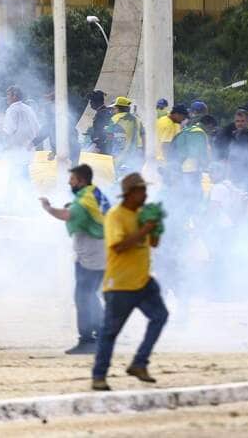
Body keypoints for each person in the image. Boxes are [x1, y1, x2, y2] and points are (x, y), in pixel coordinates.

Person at [92, 173, 168, 391]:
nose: (145, 195)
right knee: (109, 333)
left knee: (160, 316)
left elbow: (153, 243)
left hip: (143, 281)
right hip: (120, 285)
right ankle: (99, 376)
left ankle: (139, 363)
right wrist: (145, 228)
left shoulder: (143, 214)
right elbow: (118, 246)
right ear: (129, 194)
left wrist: (156, 228)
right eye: (141, 191)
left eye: (145, 190)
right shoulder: (116, 216)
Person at [39, 164, 110, 355]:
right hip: (99, 251)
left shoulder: (85, 200)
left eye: (72, 179)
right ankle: (103, 334)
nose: (69, 182)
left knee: (83, 297)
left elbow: (67, 215)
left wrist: (48, 208)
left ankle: (87, 340)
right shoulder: (93, 193)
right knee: (90, 295)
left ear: (81, 180)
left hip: (91, 254)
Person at [2, 86, 40, 179]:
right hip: (29, 148)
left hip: (17, 149)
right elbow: (37, 128)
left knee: (16, 177)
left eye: (8, 95)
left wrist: (1, 142)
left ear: (14, 96)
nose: (7, 98)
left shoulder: (12, 109)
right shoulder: (28, 109)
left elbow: (9, 130)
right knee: (23, 176)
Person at [106, 96, 145, 173]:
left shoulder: (114, 119)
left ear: (118, 108)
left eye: (114, 108)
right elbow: (144, 136)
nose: (112, 111)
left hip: (119, 154)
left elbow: (109, 136)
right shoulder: (137, 119)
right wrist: (144, 152)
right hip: (136, 154)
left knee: (118, 177)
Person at [86, 89, 111, 154]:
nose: (90, 104)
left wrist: (98, 144)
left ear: (97, 102)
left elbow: (103, 130)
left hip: (102, 144)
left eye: (91, 101)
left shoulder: (102, 113)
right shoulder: (103, 111)